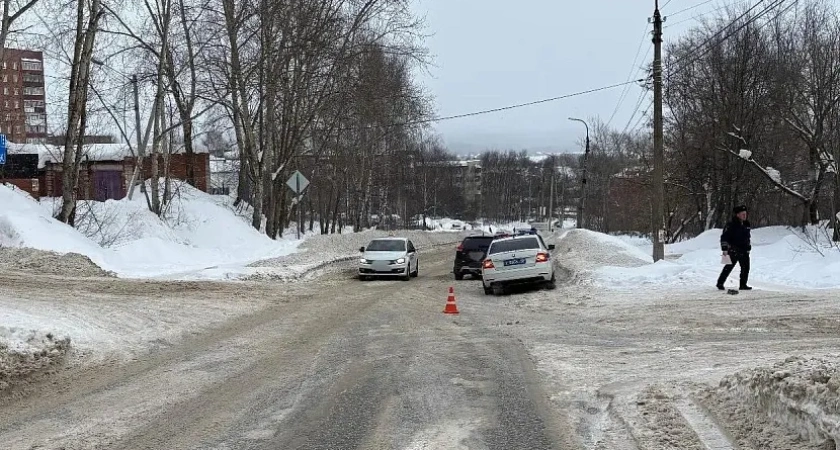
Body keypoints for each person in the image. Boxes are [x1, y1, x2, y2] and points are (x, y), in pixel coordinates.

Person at [717, 205, 752, 290]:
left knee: (746, 267)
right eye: (742, 214)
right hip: (734, 250)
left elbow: (747, 237)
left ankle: (743, 284)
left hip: (744, 250)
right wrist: (724, 248)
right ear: (737, 215)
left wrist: (748, 246)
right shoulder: (731, 225)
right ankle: (720, 283)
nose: (745, 215)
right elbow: (724, 237)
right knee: (728, 267)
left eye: (745, 214)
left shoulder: (746, 224)